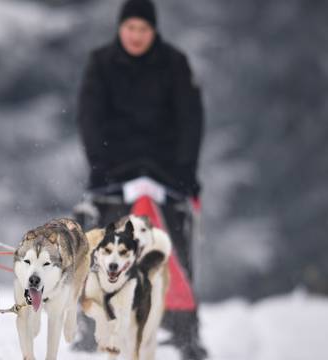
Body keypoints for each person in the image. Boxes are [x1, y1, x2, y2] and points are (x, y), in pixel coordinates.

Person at [73, 0, 207, 359]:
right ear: (120, 29)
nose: (135, 36)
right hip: (112, 176)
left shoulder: (175, 64)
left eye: (142, 29)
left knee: (173, 254)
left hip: (167, 177)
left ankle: (184, 333)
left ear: (153, 31)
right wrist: (100, 167)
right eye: (130, 28)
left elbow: (190, 120)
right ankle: (92, 327)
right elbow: (89, 119)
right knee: (99, 254)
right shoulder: (99, 64)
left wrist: (185, 173)